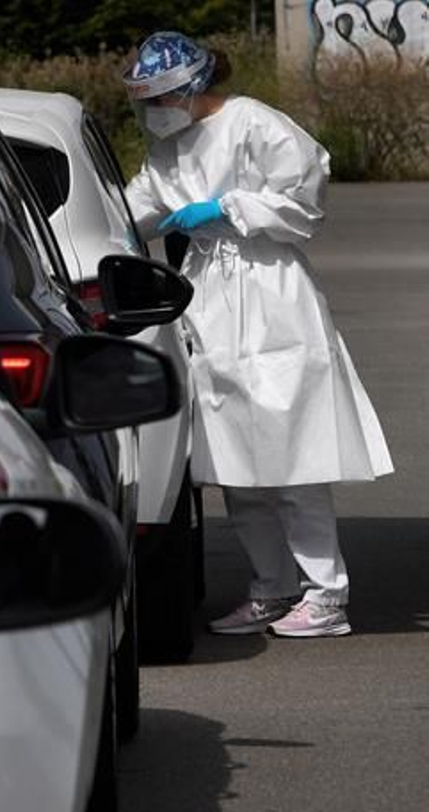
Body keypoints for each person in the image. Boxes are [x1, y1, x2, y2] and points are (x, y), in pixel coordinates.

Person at [121, 31, 392, 638]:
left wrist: (229, 208)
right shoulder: (166, 150)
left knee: (294, 458)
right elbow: (133, 208)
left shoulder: (254, 122)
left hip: (270, 294)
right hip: (209, 303)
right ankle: (272, 589)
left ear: (190, 88)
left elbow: (306, 195)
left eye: (159, 99)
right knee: (238, 465)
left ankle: (326, 597)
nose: (153, 114)